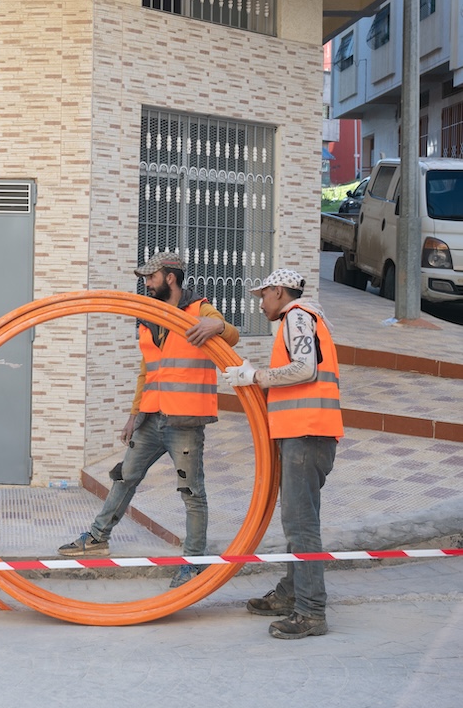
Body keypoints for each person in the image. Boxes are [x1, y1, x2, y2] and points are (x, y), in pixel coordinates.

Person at [57, 251, 239, 587]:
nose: (146, 283)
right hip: (152, 417)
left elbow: (231, 336)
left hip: (185, 420)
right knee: (125, 476)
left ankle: (194, 563)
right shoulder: (148, 316)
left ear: (170, 277)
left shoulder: (199, 310)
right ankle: (98, 537)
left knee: (191, 492)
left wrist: (218, 324)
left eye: (151, 277)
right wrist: (133, 416)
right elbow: (147, 371)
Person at [222, 269, 342, 640]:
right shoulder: (308, 319)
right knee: (301, 520)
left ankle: (310, 612)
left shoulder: (298, 317)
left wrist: (254, 377)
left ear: (278, 291)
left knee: (300, 524)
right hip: (308, 434)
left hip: (306, 434)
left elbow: (304, 370)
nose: (260, 304)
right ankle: (292, 592)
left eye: (263, 296)